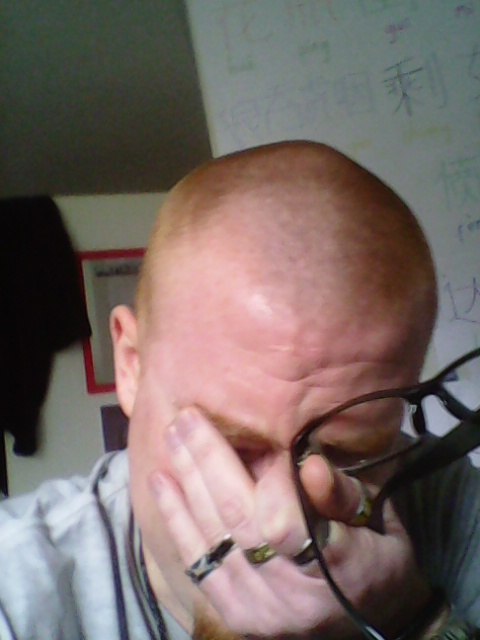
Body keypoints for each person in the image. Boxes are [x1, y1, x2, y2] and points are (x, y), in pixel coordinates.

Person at [0, 140, 479, 640]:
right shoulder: (15, 595)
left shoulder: (451, 507)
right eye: (233, 447)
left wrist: (415, 619)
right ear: (131, 367)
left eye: (348, 454)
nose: (281, 521)